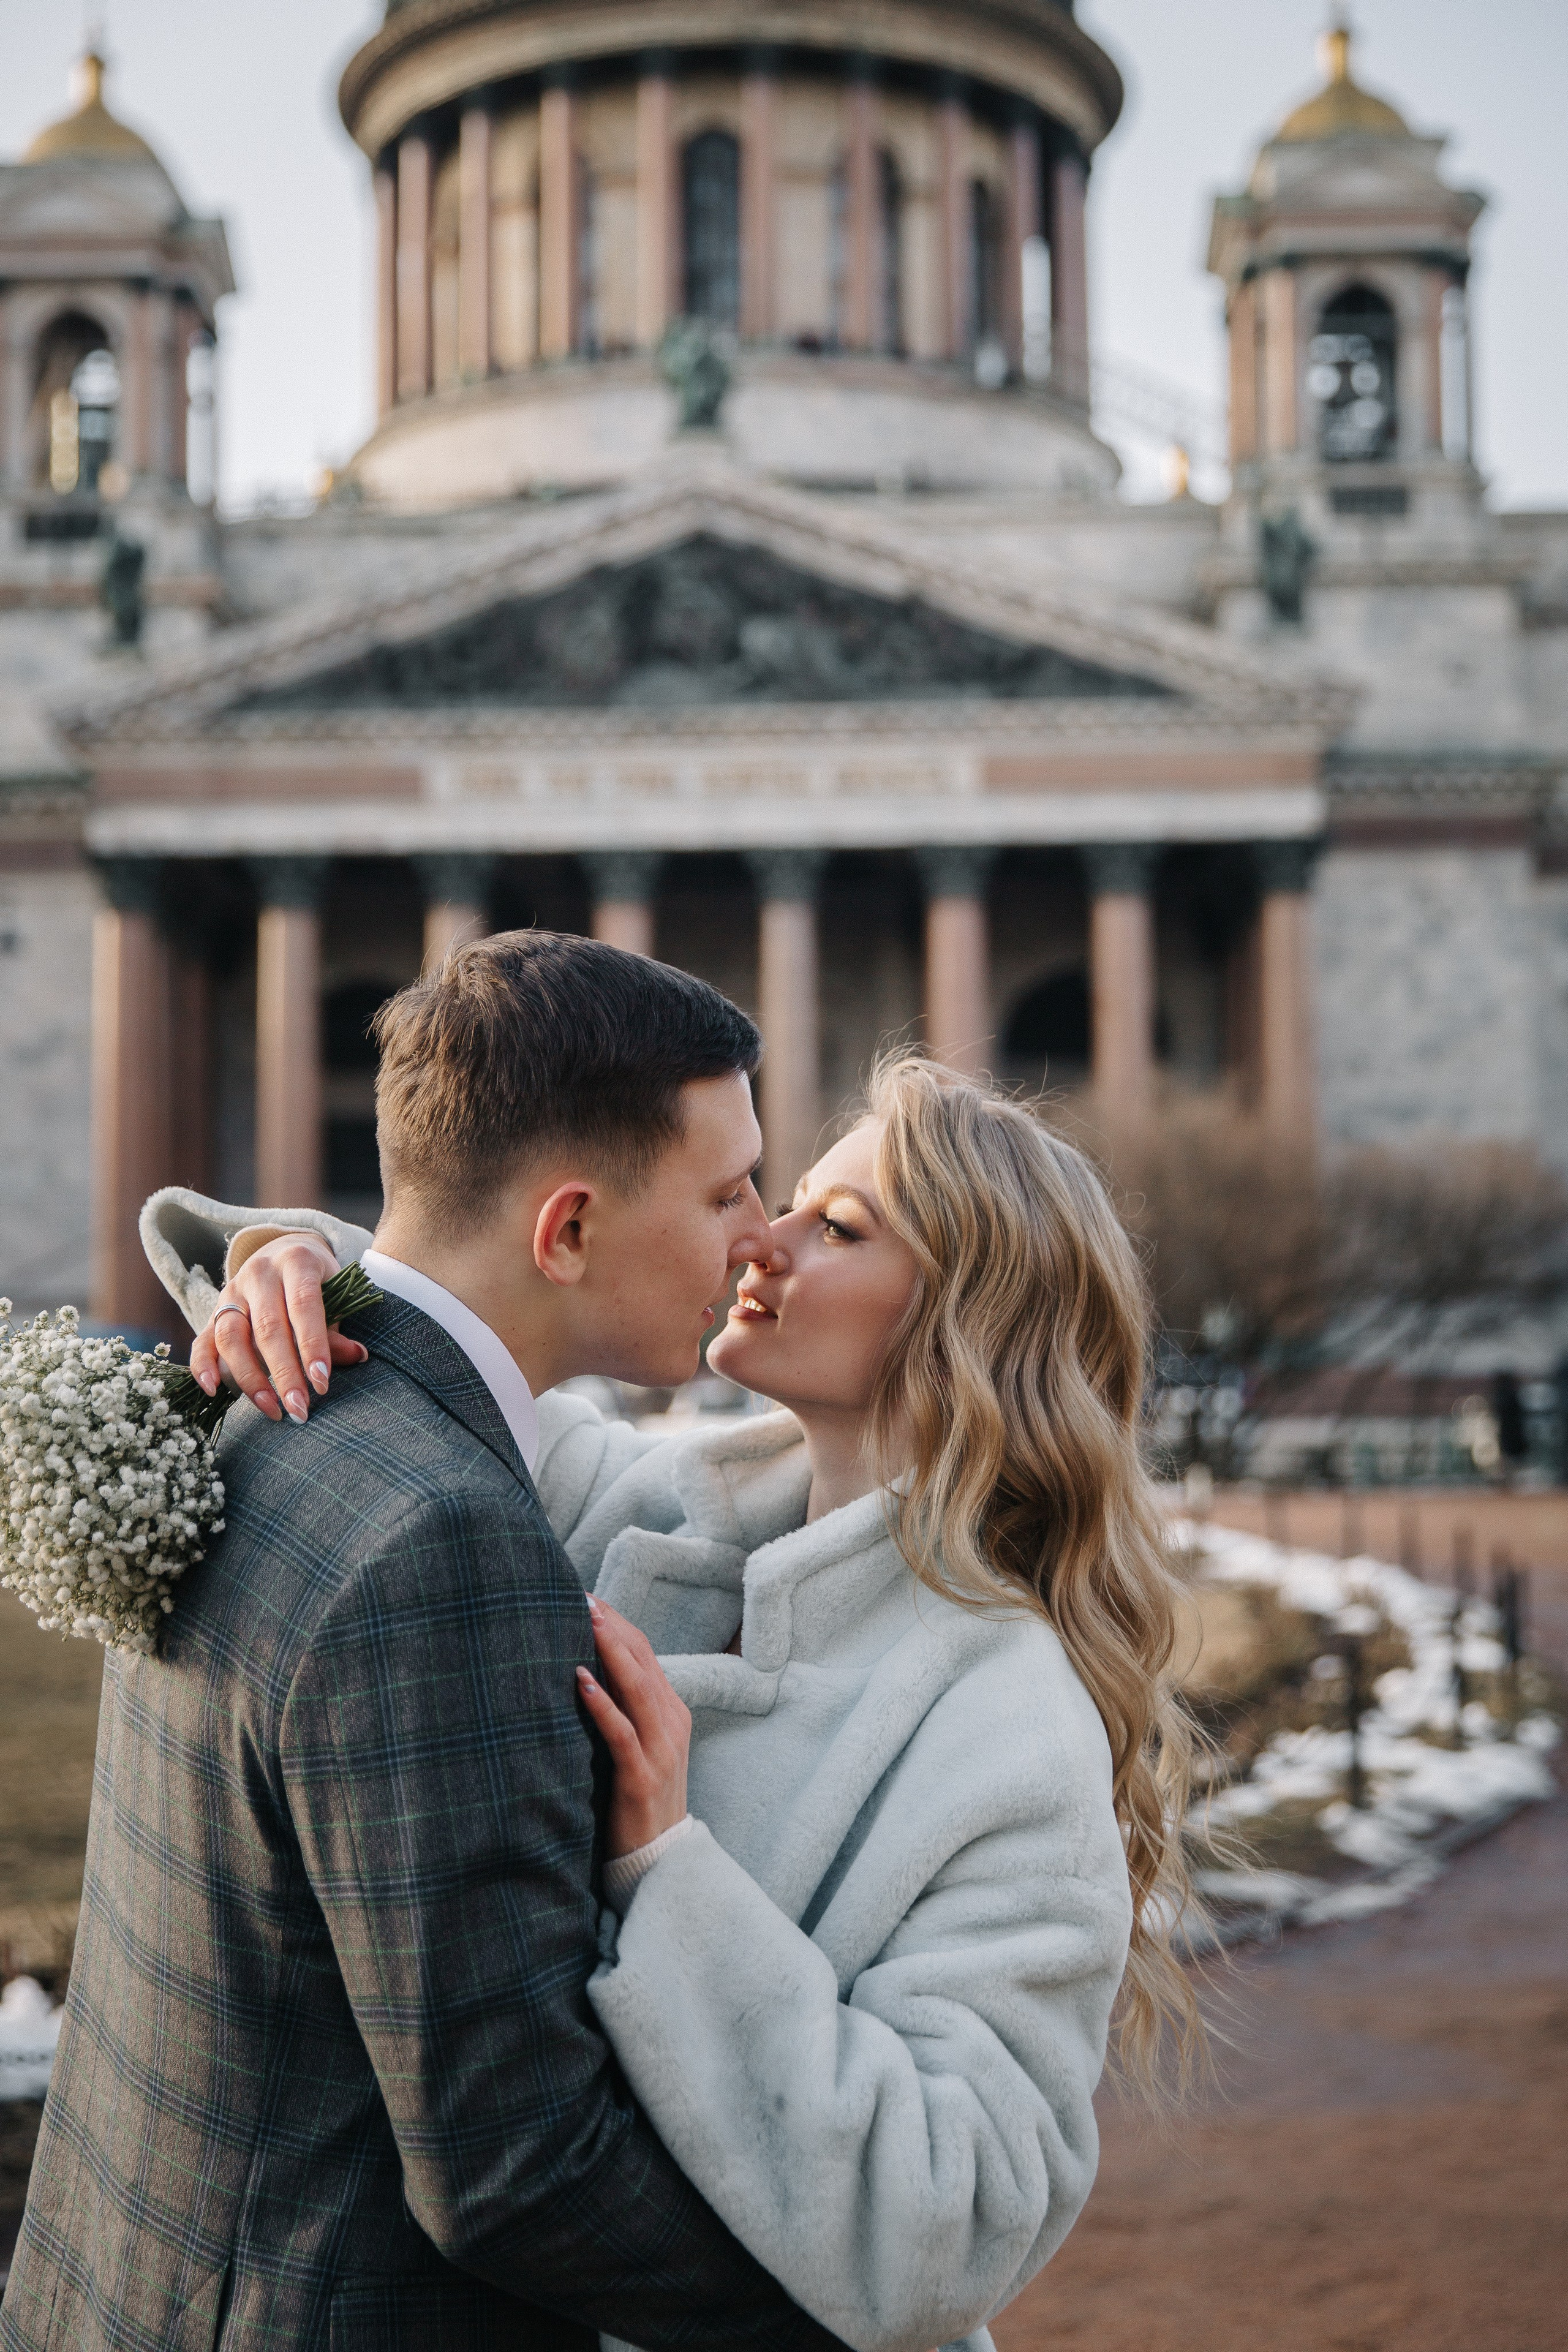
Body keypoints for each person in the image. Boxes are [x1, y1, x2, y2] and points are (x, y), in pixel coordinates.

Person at [132, 944, 1204, 2352]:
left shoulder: (1008, 1724)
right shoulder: (637, 1508)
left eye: (836, 1225)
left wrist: (670, 1875)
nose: (758, 1241)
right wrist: (296, 1269)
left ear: (961, 1319)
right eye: (763, 1198)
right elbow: (469, 1312)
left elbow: (957, 2220)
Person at [1, 935, 857, 2352]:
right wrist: (864, 2324)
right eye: (724, 1190)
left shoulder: (264, 1407)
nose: (756, 1233)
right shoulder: (442, 1541)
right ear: (567, 1231)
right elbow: (514, 2169)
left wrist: (278, 1247)